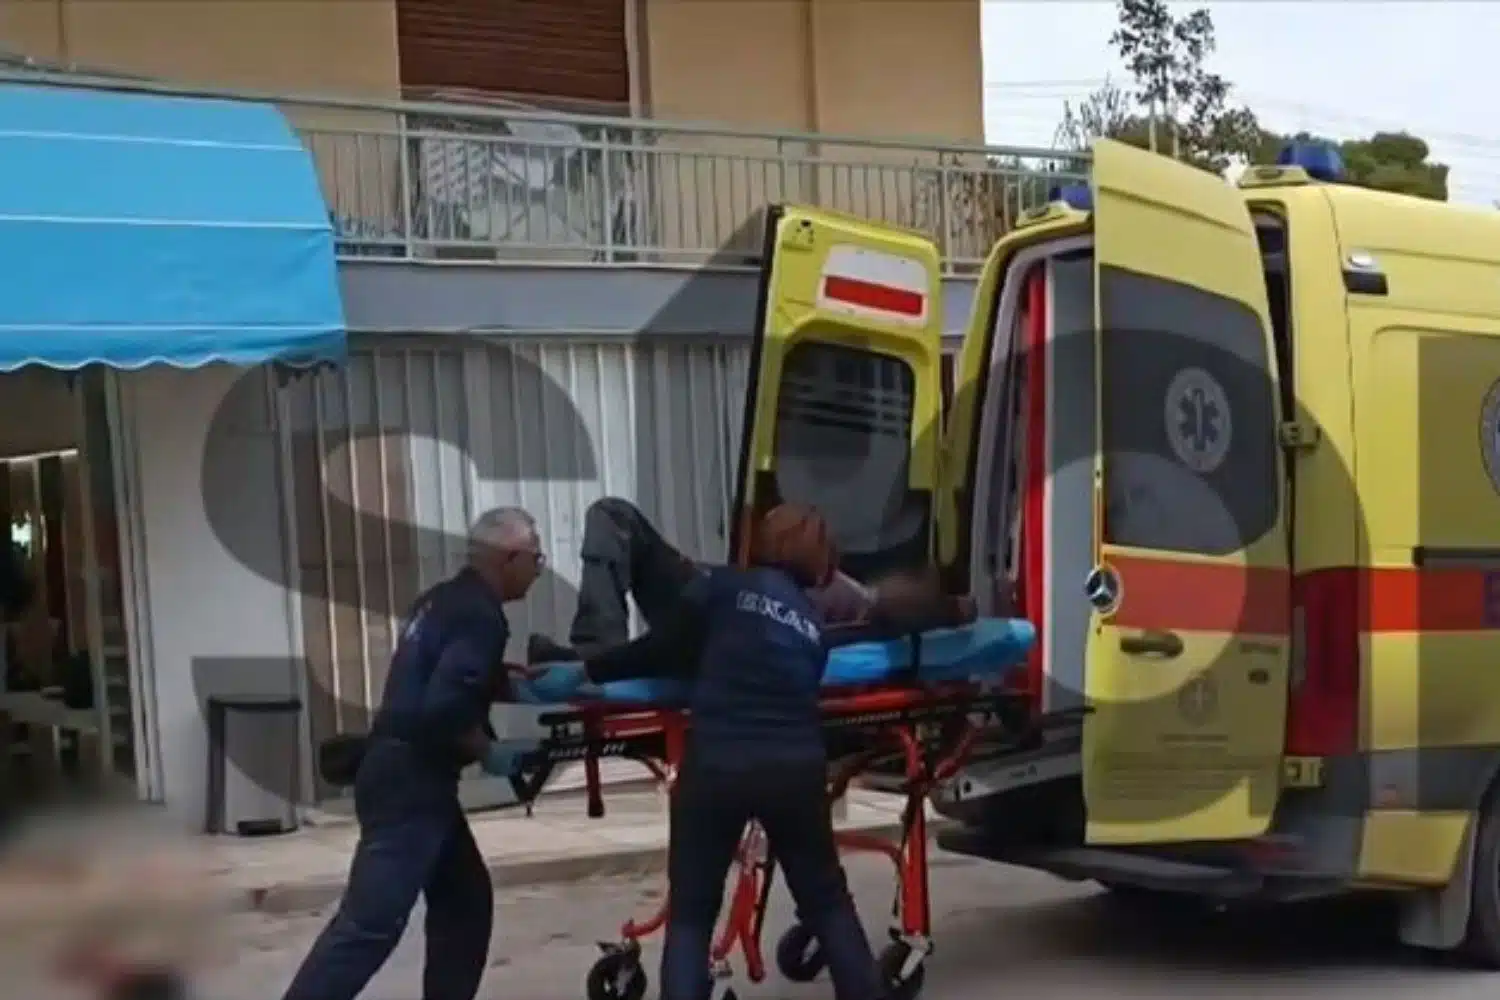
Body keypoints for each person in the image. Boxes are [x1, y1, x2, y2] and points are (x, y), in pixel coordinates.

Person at [546, 503, 888, 1000]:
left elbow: (664, 648)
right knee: (828, 901)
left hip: (718, 764)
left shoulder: (722, 588)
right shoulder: (811, 626)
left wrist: (588, 670)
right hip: (794, 768)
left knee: (692, 914)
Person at [279, 507, 548, 1000]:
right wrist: (489, 751)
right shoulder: (480, 615)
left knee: (464, 902)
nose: (539, 570)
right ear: (509, 558)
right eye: (537, 558)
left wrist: (504, 681)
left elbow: (431, 677)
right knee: (369, 927)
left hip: (403, 774)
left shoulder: (441, 600)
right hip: (412, 784)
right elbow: (444, 707)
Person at [528, 496, 973, 665]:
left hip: (718, 604)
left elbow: (904, 612)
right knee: (613, 516)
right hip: (716, 587)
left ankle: (590, 659)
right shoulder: (835, 587)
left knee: (614, 517)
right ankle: (593, 649)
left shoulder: (858, 609)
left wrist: (955, 609)